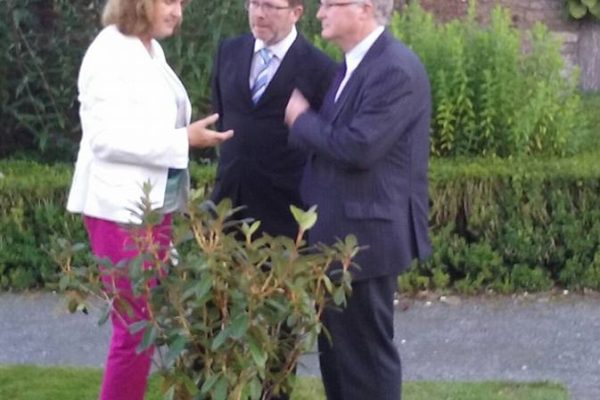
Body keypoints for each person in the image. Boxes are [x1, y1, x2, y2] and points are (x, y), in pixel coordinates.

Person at [66, 1, 233, 399]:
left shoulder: (149, 48)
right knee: (136, 328)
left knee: (148, 324)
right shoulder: (109, 53)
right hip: (120, 211)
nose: (178, 12)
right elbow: (104, 140)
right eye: (170, 2)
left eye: (182, 4)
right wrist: (183, 140)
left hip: (154, 207)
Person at [284, 0, 432, 399]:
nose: (320, 14)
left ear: (364, 8)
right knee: (338, 357)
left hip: (366, 241)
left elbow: (359, 146)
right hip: (338, 237)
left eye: (330, 4)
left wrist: (302, 119)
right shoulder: (353, 65)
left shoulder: (394, 70)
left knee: (366, 359)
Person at [210, 0, 337, 239]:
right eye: (254, 4)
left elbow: (323, 142)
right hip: (226, 205)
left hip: (283, 215)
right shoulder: (229, 51)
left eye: (270, 6)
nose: (259, 14)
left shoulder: (320, 69)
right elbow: (221, 114)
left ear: (295, 13)